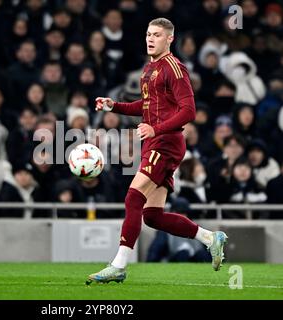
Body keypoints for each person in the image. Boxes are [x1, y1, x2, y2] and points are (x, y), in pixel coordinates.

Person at [87, 18, 228, 285]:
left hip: (165, 143)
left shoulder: (175, 68)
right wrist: (113, 106)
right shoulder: (151, 68)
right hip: (156, 142)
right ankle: (210, 238)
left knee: (132, 198)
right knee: (152, 216)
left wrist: (156, 129)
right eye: (149, 34)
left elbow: (189, 111)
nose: (151, 39)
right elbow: (148, 105)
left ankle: (118, 265)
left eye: (157, 35)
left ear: (170, 39)